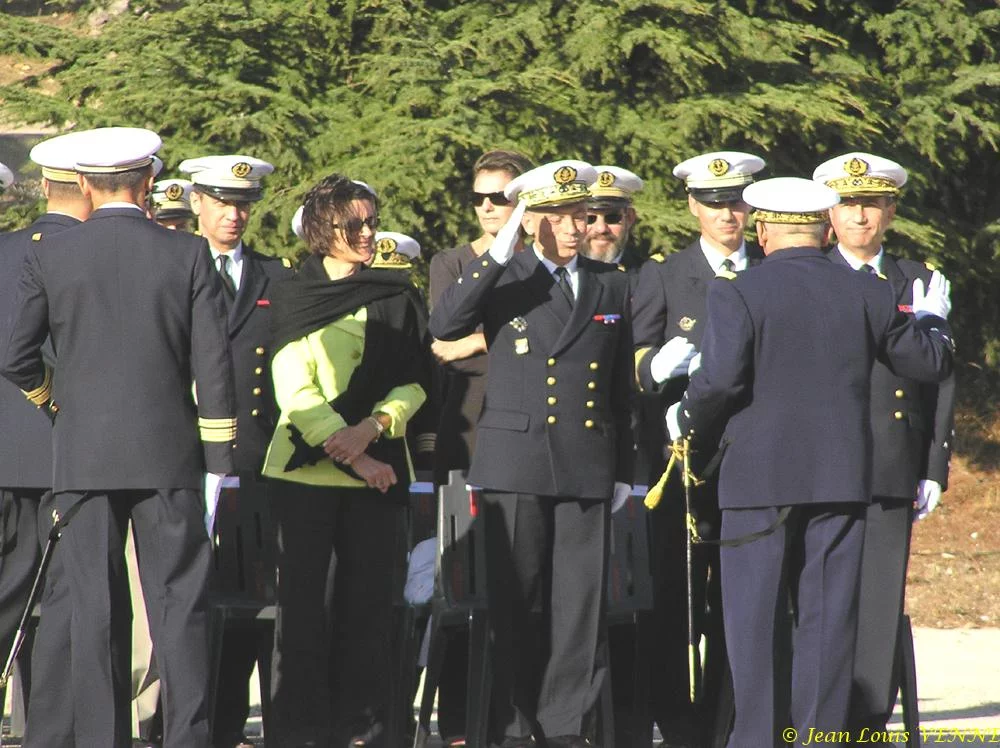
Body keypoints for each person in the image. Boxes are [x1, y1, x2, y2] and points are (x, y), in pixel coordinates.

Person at [665, 176, 954, 748]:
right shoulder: (869, 292)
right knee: (828, 622)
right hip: (840, 479)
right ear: (825, 228)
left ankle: (758, 739)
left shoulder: (738, 291)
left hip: (757, 481)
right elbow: (929, 364)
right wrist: (934, 321)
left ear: (763, 228)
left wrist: (684, 417)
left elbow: (721, 380)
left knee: (755, 622)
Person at [0, 126, 236, 748]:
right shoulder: (186, 253)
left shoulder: (51, 254)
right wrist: (216, 459)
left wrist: (57, 405)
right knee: (179, 607)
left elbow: (16, 355)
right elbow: (213, 366)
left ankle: (104, 740)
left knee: (94, 608)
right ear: (150, 181)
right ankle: (188, 737)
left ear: (82, 183)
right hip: (169, 456)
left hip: (82, 456)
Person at [429, 159, 634, 748]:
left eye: (582, 215)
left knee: (579, 613)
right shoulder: (507, 277)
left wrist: (620, 470)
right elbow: (446, 324)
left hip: (587, 461)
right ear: (533, 219)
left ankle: (567, 729)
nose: (576, 227)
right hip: (515, 459)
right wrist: (498, 252)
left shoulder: (609, 283)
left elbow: (618, 389)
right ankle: (515, 729)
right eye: (561, 216)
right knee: (517, 608)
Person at [261, 174, 429, 748]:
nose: (366, 233)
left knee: (368, 613)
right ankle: (302, 733)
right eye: (351, 224)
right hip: (306, 477)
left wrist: (374, 428)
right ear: (319, 228)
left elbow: (416, 380)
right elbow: (295, 390)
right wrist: (356, 455)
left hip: (378, 474)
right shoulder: (292, 292)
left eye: (371, 222)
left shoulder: (396, 293)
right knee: (305, 613)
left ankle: (365, 731)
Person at [812, 152, 956, 740]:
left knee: (876, 600)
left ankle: (867, 720)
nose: (860, 216)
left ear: (891, 211)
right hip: (819, 462)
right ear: (830, 212)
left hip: (890, 462)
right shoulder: (811, 275)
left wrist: (934, 466)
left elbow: (941, 378)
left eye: (871, 204)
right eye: (848, 204)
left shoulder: (915, 280)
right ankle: (816, 713)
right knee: (820, 594)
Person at [631, 150, 765, 746]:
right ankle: (678, 720)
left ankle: (727, 716)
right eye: (714, 204)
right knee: (678, 601)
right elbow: (633, 360)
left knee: (740, 600)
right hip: (681, 462)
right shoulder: (663, 274)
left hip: (754, 455)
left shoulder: (768, 266)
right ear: (693, 207)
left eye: (736, 201)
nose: (728, 214)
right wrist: (655, 371)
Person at [178, 153, 294, 748]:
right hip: (186, 458)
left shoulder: (275, 275)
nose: (234, 214)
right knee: (189, 599)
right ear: (196, 202)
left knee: (256, 597)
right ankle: (189, 725)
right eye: (221, 201)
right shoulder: (173, 267)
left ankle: (249, 724)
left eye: (243, 203)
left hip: (256, 458)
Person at [426, 148, 534, 745]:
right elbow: (443, 339)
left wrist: (480, 339)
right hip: (465, 439)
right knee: (463, 586)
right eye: (481, 197)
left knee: (524, 585)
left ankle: (517, 720)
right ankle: (462, 722)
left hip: (530, 443)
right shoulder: (453, 261)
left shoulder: (541, 263)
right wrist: (505, 339)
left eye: (503, 196)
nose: (491, 206)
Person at [0, 140, 92, 713]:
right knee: (65, 601)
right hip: (70, 449)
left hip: (6, 452)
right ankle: (53, 728)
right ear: (87, 186)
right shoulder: (97, 253)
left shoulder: (8, 250)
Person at [582, 164, 644, 272]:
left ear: (629, 218)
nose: (601, 229)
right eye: (590, 219)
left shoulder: (649, 275)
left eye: (612, 218)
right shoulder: (561, 276)